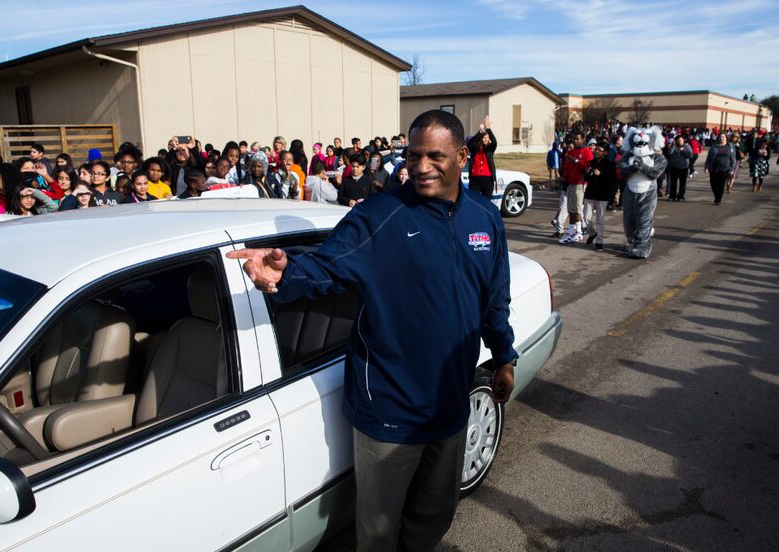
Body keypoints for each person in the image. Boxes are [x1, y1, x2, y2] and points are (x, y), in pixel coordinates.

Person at [226, 109, 517, 552]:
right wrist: (284, 276)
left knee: (435, 516)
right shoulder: (382, 215)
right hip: (389, 408)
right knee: (378, 534)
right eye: (413, 155)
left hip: (451, 401)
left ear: (462, 155)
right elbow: (327, 265)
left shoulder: (484, 218)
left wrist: (504, 355)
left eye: (435, 157)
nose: (421, 167)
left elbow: (494, 297)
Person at [619, 127, 667, 259]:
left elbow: (655, 172)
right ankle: (633, 242)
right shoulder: (628, 156)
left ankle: (643, 246)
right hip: (630, 192)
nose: (640, 136)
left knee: (643, 220)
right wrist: (632, 168)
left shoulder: (657, 157)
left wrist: (642, 166)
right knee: (628, 221)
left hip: (647, 194)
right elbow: (622, 169)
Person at [559, 131, 593, 244]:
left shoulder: (587, 152)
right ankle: (570, 232)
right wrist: (565, 176)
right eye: (574, 139)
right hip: (571, 184)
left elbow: (588, 168)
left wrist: (577, 161)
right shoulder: (571, 152)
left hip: (580, 183)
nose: (575, 141)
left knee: (578, 209)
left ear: (583, 139)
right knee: (571, 209)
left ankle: (578, 232)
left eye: (577, 139)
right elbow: (567, 167)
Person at [582, 142, 615, 251]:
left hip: (602, 195)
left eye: (599, 150)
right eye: (596, 149)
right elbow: (586, 178)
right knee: (586, 217)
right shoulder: (591, 162)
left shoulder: (610, 164)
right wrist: (587, 173)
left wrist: (600, 174)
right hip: (590, 193)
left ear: (605, 152)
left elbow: (611, 180)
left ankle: (599, 242)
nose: (596, 151)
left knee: (600, 220)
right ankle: (592, 233)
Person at [466, 115, 497, 199]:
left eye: (488, 138)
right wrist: (481, 132)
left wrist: (488, 129)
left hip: (487, 178)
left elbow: (494, 141)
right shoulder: (474, 148)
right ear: (481, 138)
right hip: (475, 178)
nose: (486, 139)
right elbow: (469, 143)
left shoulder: (490, 149)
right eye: (484, 138)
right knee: (474, 201)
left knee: (486, 202)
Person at [704, 133, 735, 205]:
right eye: (720, 137)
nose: (721, 138)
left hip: (725, 168)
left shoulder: (730, 146)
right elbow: (709, 157)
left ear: (726, 138)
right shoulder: (714, 146)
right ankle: (716, 196)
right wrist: (706, 166)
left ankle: (718, 199)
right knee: (713, 183)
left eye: (723, 137)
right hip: (714, 168)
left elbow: (733, 158)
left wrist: (732, 169)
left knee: (721, 184)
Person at [667, 135, 692, 201]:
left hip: (683, 168)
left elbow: (690, 155)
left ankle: (680, 196)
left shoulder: (687, 146)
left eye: (681, 140)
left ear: (683, 140)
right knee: (673, 183)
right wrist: (672, 146)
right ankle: (672, 196)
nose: (679, 141)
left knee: (682, 183)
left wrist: (683, 150)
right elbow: (669, 153)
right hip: (673, 167)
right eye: (678, 140)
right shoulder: (674, 146)